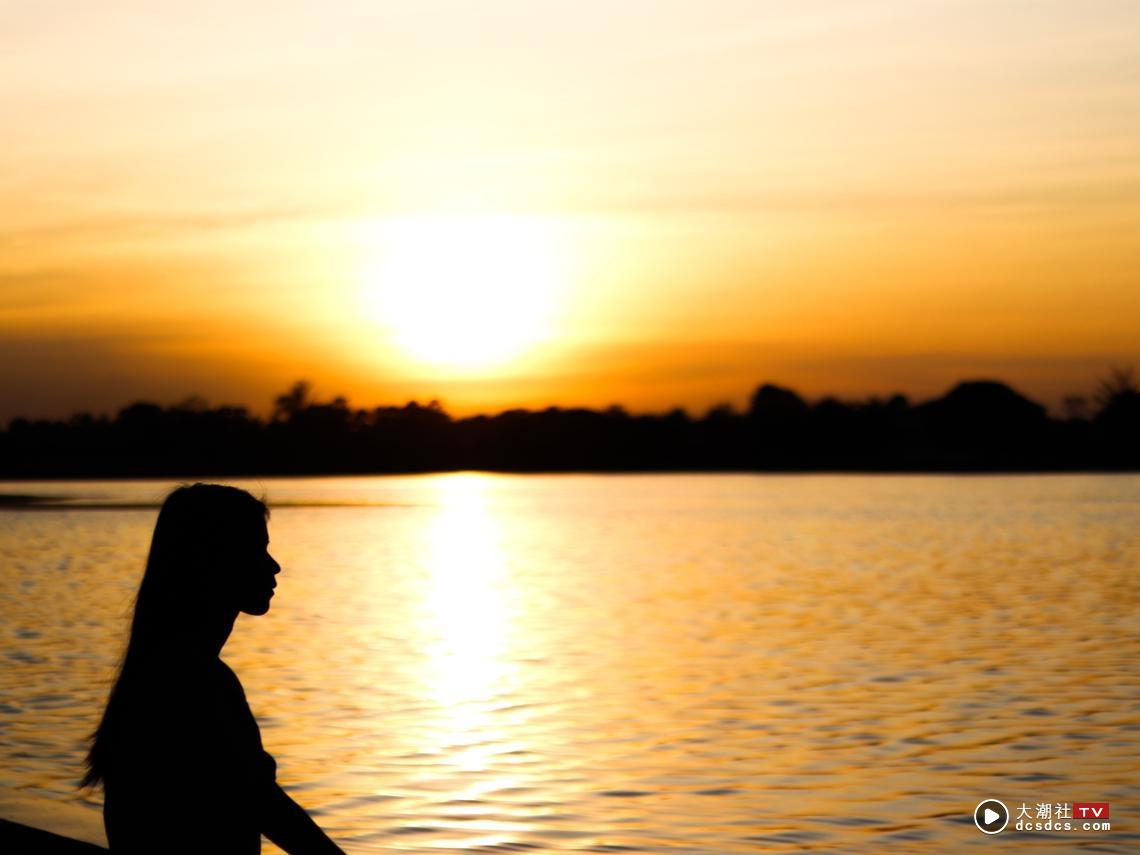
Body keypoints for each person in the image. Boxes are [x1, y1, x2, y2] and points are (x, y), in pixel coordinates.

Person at [82, 483, 346, 854]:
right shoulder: (196, 683)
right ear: (214, 561)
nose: (274, 565)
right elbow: (264, 804)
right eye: (257, 550)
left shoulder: (155, 671)